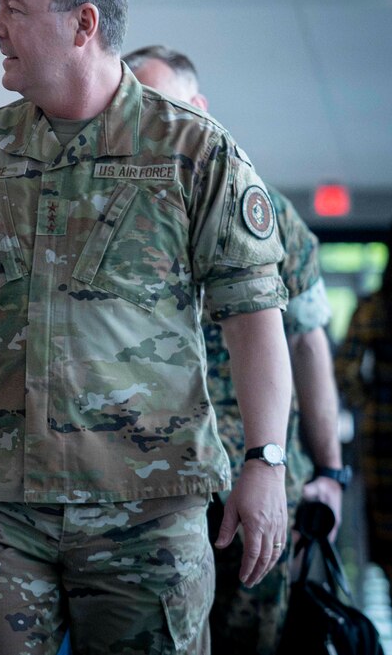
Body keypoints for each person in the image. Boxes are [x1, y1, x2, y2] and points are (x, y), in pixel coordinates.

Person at [0, 0, 294, 654]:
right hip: (1, 505)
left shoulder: (194, 152)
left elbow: (254, 319)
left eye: (13, 6)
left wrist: (266, 459)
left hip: (146, 507)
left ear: (83, 23)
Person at [125, 44, 346, 653]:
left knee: (254, 637)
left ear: (198, 109)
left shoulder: (267, 212)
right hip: (154, 485)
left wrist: (329, 471)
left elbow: (308, 345)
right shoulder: (115, 220)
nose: (148, 125)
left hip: (258, 474)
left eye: (161, 105)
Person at [336, 218, 392, 652]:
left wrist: (371, 399)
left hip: (385, 447)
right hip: (386, 448)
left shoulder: (374, 307)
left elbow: (343, 372)